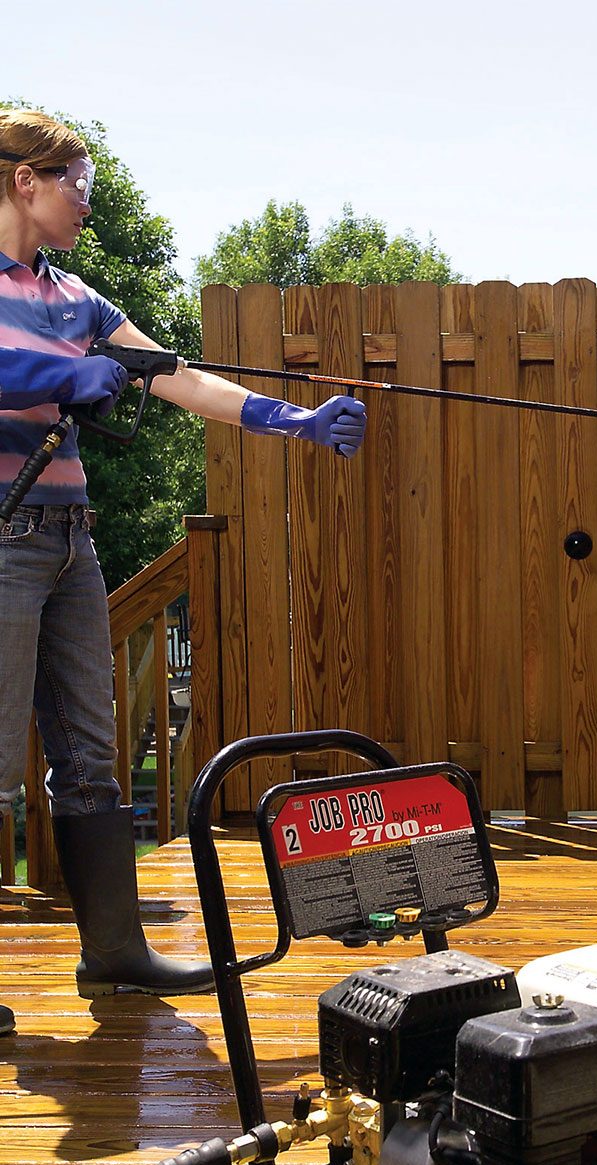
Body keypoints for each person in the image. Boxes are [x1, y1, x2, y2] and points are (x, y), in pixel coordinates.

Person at [0, 110, 367, 1037]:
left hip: (68, 541)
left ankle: (115, 955)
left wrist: (290, 422)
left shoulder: (79, 299)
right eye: (77, 179)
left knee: (91, 756)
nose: (89, 199)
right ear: (22, 181)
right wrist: (50, 376)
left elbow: (177, 376)